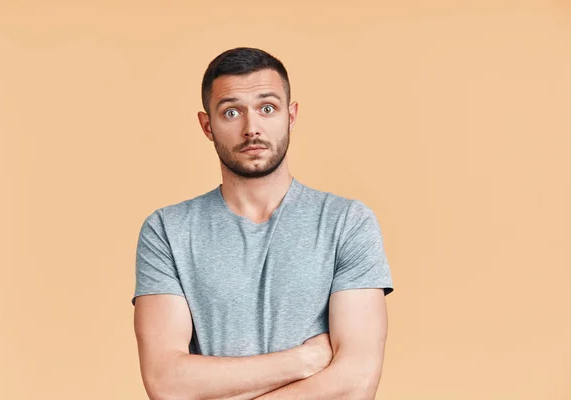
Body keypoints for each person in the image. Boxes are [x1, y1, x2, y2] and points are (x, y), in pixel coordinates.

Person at [132, 47, 394, 400]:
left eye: (267, 108)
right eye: (231, 112)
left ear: (291, 115)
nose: (251, 128)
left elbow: (356, 383)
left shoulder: (347, 222)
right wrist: (303, 360)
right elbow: (167, 384)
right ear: (207, 126)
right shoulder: (166, 231)